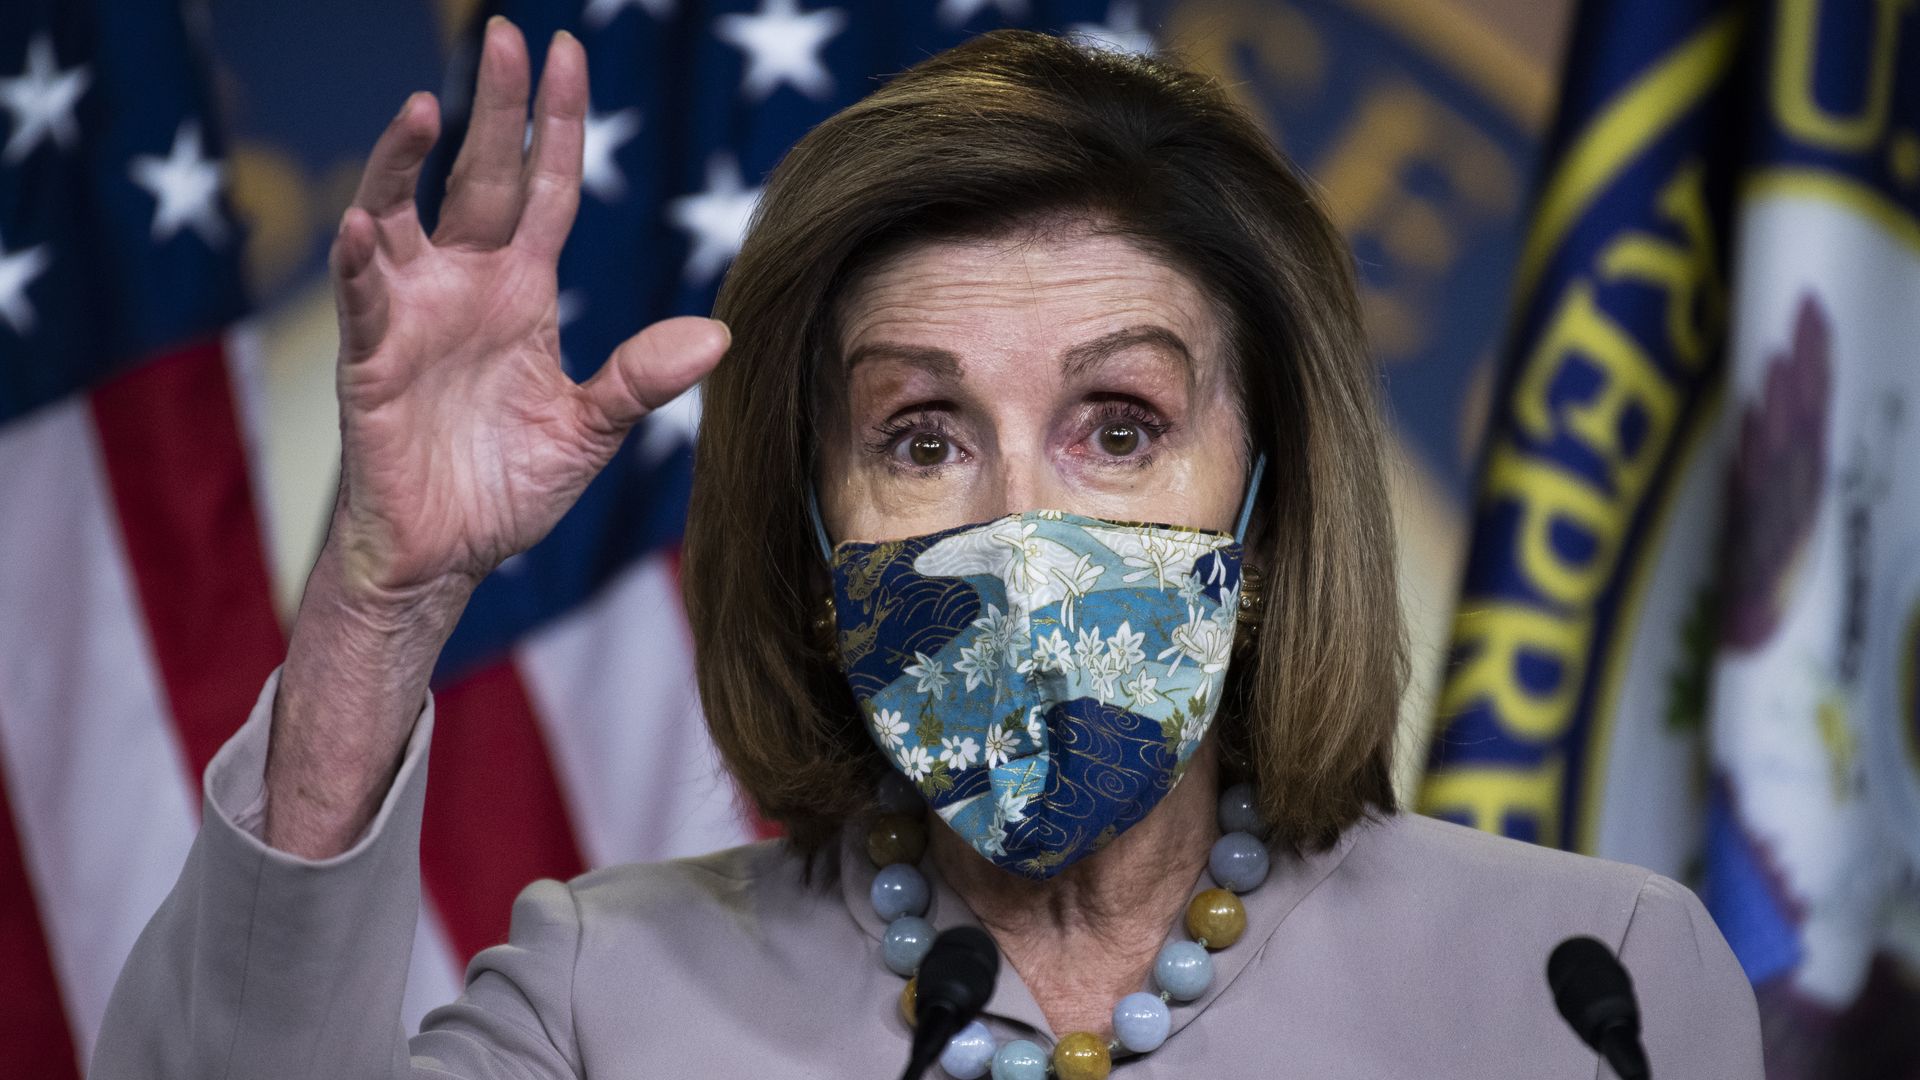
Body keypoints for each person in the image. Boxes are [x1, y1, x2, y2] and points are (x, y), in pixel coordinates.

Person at [92, 20, 1761, 1080]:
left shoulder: (1580, 983)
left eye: (1120, 426)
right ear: (813, 524)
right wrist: (385, 595)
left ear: (1273, 501)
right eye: (921, 436)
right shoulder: (610, 1000)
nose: (1021, 526)